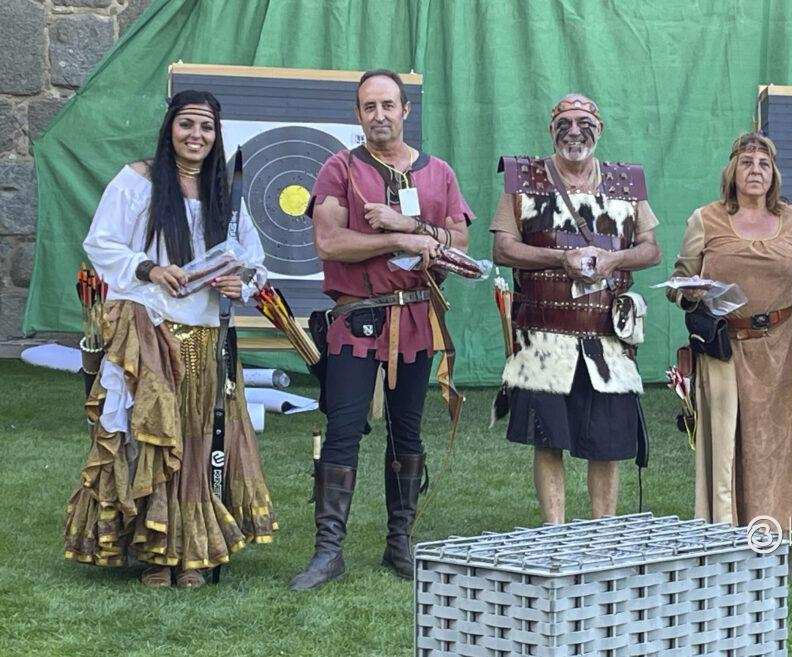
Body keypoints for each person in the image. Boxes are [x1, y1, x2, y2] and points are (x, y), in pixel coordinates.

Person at [64, 90, 275, 588]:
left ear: (216, 134)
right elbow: (102, 242)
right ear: (170, 129)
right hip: (150, 325)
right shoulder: (136, 181)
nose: (196, 135)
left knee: (199, 440)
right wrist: (151, 268)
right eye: (187, 125)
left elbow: (255, 262)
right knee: (155, 437)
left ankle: (191, 553)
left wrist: (238, 283)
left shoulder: (227, 192)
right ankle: (155, 551)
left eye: (206, 127)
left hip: (206, 333)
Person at [290, 69, 474, 591]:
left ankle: (400, 543)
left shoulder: (438, 172)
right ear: (358, 114)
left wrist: (408, 227)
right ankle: (328, 552)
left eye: (388, 105)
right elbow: (330, 243)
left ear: (405, 110)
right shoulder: (339, 169)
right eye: (369, 107)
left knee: (408, 432)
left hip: (416, 316)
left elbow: (457, 243)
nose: (380, 115)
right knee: (344, 428)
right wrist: (397, 240)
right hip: (357, 314)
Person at [491, 93, 661, 524]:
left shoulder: (627, 183)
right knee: (548, 438)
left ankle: (602, 530)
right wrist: (558, 258)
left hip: (607, 337)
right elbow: (503, 247)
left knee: (607, 441)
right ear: (551, 130)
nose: (574, 130)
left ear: (599, 129)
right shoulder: (522, 178)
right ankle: (556, 531)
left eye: (584, 122)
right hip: (544, 337)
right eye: (564, 122)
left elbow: (651, 249)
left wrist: (615, 259)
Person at [667, 132, 792, 531]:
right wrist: (689, 294)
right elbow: (680, 281)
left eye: (764, 164)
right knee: (725, 443)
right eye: (747, 162)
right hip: (723, 349)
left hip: (780, 347)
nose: (755, 170)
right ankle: (724, 531)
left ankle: (775, 533)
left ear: (775, 175)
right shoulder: (706, 219)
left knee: (775, 445)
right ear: (732, 171)